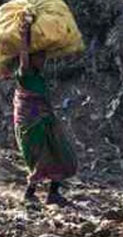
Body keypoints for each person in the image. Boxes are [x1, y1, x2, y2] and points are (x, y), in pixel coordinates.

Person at [9, 13, 78, 205]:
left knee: (59, 153)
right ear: (32, 59)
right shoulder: (25, 73)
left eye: (44, 57)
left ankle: (53, 193)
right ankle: (29, 194)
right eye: (40, 57)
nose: (43, 61)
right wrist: (24, 34)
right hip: (31, 124)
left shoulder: (38, 77)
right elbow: (24, 55)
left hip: (46, 120)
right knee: (42, 158)